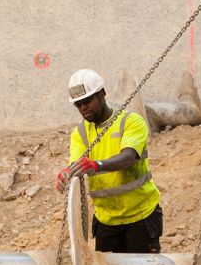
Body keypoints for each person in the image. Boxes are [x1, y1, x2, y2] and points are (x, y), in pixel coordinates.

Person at [56, 69, 163, 254]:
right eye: (78, 105)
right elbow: (77, 166)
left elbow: (128, 157)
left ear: (102, 94)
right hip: (107, 221)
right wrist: (67, 174)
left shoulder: (130, 121)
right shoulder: (80, 134)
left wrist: (97, 165)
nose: (83, 108)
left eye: (87, 101)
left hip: (141, 216)